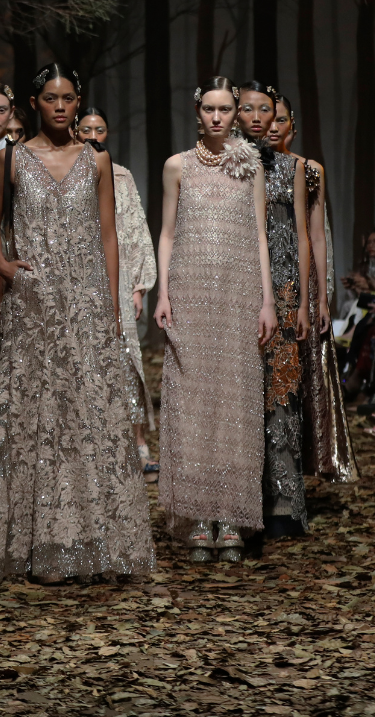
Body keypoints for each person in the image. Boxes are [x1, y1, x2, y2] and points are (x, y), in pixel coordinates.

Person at [0, 63, 154, 584]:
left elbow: (108, 235)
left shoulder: (97, 159)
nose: (60, 106)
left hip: (86, 304)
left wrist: (111, 305)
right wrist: (4, 265)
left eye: (69, 98)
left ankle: (94, 543)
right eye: (51, 98)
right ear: (34, 103)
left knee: (87, 418)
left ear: (78, 102)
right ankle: (34, 545)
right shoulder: (10, 158)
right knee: (34, 420)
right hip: (31, 308)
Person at [155, 76, 278, 564]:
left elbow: (261, 235)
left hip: (238, 294)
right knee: (193, 400)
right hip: (189, 293)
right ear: (197, 111)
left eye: (226, 109)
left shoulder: (251, 165)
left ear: (235, 113)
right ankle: (197, 516)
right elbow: (167, 233)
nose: (217, 117)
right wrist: (164, 292)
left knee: (235, 401)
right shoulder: (177, 166)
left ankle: (229, 516)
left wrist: (267, 302)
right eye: (209, 108)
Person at [271, 95, 358, 484]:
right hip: (262, 275)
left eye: (282, 119)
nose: (274, 126)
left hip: (301, 278)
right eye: (268, 118)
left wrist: (323, 297)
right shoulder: (248, 168)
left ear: (293, 124)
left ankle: (304, 461)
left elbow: (319, 236)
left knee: (305, 366)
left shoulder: (309, 170)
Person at [237, 81, 311, 537]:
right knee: (242, 392)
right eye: (249, 109)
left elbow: (302, 234)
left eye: (267, 110)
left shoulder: (293, 167)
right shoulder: (227, 166)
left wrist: (303, 301)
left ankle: (283, 504)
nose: (259, 118)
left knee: (282, 392)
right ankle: (242, 503)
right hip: (238, 288)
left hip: (282, 291)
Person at [77, 106, 158, 480]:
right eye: (86, 129)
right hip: (78, 277)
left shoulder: (121, 175)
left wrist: (139, 287)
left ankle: (138, 445)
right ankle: (92, 447)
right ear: (76, 132)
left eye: (99, 129)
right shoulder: (63, 175)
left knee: (127, 360)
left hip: (119, 277)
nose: (93, 135)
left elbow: (135, 229)